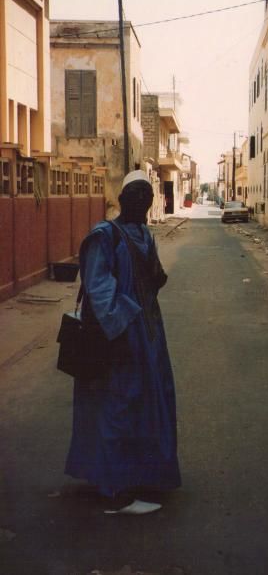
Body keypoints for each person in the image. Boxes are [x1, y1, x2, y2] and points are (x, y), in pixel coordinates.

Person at [65, 170, 181, 515]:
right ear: (123, 198)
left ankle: (138, 476)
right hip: (117, 335)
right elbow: (100, 289)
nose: (143, 202)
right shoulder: (104, 236)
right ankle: (115, 493)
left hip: (147, 335)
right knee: (117, 405)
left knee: (145, 404)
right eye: (137, 196)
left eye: (148, 197)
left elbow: (150, 277)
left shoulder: (143, 233)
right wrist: (118, 334)